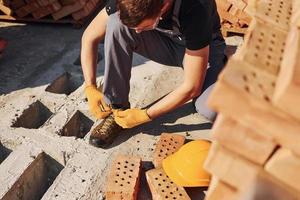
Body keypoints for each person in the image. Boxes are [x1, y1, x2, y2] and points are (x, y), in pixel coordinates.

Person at [81, 0, 227, 148]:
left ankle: (222, 66)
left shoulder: (195, 8)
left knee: (210, 109)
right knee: (117, 24)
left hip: (204, 47)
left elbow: (192, 87)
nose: (137, 31)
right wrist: (90, 86)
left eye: (142, 27)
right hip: (166, 43)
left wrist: (146, 114)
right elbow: (88, 37)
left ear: (164, 6)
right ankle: (117, 108)